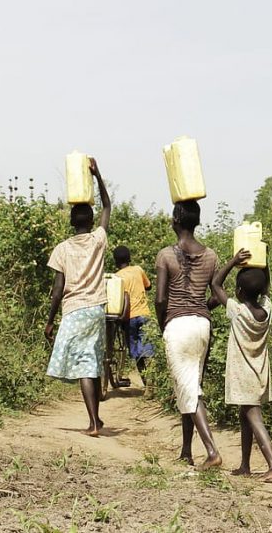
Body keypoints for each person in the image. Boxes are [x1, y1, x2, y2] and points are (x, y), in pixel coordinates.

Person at [44, 157, 111, 437]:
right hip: (96, 309)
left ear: (72, 222)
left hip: (74, 310)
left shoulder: (62, 249)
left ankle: (93, 422)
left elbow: (58, 289)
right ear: (91, 221)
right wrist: (98, 176)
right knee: (92, 361)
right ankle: (98, 419)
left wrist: (49, 321)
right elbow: (108, 205)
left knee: (85, 364)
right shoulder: (98, 239)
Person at [155, 200, 222, 470]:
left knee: (189, 389)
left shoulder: (166, 256)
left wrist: (164, 324)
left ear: (175, 221)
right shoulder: (211, 256)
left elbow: (160, 299)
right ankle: (186, 450)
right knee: (190, 386)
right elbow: (218, 293)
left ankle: (212, 451)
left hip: (178, 326)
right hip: (202, 325)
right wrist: (202, 307)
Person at [212, 249, 272, 482]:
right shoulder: (267, 310)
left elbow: (215, 285)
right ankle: (245, 465)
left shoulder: (238, 311)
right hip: (259, 373)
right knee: (245, 416)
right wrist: (263, 260)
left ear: (239, 291)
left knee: (254, 418)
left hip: (243, 375)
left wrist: (233, 261)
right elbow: (267, 286)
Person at [113, 245, 154, 382]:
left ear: (115, 261)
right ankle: (152, 383)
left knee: (137, 352)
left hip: (129, 318)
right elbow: (148, 286)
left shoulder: (116, 277)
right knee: (148, 350)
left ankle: (145, 380)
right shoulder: (138, 270)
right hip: (144, 314)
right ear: (129, 258)